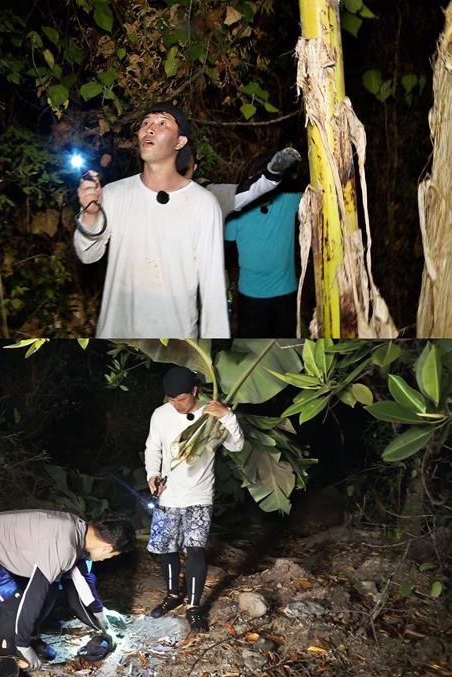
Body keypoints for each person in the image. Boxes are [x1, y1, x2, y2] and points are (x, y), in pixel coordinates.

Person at [73, 102, 229, 339]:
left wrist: (212, 354)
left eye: (162, 123)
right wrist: (91, 214)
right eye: (146, 123)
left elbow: (213, 290)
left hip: (176, 342)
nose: (149, 128)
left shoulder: (203, 204)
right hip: (118, 336)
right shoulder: (115, 193)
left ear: (179, 142)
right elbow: (87, 254)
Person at [0, 509, 135, 675]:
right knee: (13, 604)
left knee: (49, 590)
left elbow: (82, 584)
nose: (107, 559)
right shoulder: (63, 547)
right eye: (113, 555)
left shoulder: (78, 531)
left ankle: (8, 648)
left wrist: (101, 620)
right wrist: (22, 644)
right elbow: (34, 595)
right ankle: (4, 657)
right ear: (109, 548)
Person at [144, 366, 244, 632]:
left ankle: (193, 606)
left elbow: (237, 445)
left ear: (194, 392)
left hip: (199, 494)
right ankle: (172, 595)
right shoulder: (160, 415)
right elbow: (152, 448)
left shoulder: (211, 413)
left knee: (196, 548)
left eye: (181, 399)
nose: (176, 404)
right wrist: (152, 474)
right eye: (171, 399)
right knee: (167, 548)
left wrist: (228, 416)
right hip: (167, 495)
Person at [224, 163, 303, 337]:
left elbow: (316, 193)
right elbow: (225, 251)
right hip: (250, 295)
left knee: (284, 348)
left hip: (284, 294)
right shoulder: (236, 213)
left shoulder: (288, 201)